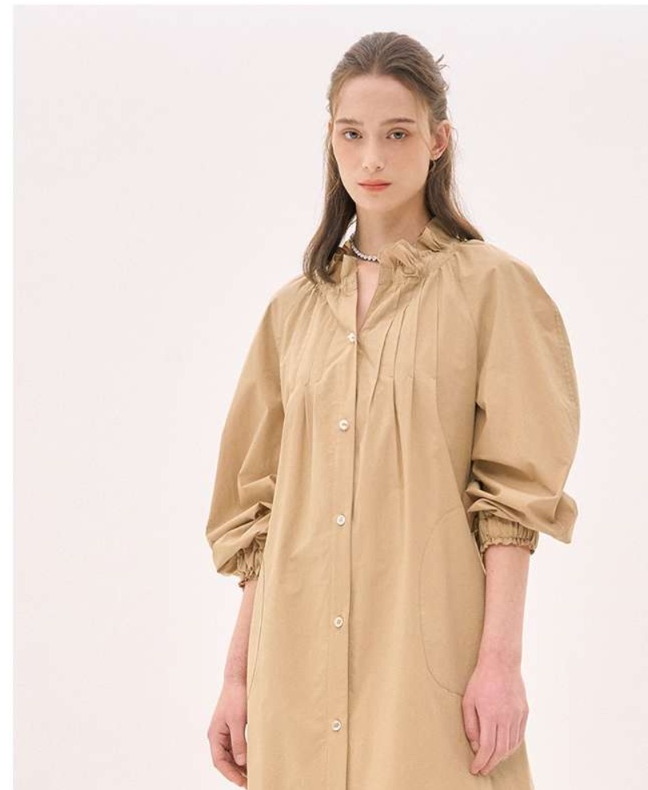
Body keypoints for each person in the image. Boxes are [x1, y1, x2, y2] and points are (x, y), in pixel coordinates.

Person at [204, 31, 580, 790]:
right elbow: (261, 516)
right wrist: (238, 678)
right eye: (353, 134)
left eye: (397, 134)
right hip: (294, 669)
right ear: (331, 141)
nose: (372, 157)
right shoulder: (292, 312)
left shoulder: (492, 288)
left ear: (438, 141)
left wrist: (500, 665)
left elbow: (513, 500)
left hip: (428, 663)